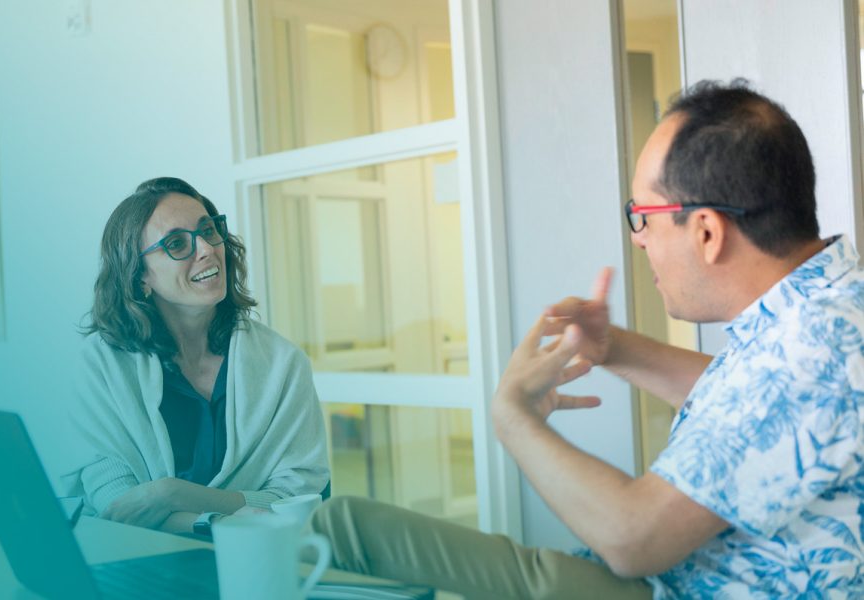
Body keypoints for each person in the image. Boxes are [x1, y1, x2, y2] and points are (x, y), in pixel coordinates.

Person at [311, 80, 864, 598]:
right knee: (346, 528)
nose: (637, 238)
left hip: (658, 585)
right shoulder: (830, 306)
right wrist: (613, 349)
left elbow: (632, 539)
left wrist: (513, 419)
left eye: (642, 215)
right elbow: (757, 407)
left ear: (706, 231)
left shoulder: (812, 346)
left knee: (343, 531)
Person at [65, 177, 329, 534]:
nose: (206, 249)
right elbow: (116, 503)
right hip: (140, 564)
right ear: (141, 276)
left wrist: (169, 494)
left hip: (259, 561)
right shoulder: (103, 365)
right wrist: (210, 520)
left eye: (208, 230)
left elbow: (295, 497)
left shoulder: (284, 365)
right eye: (176, 243)